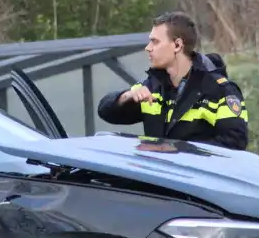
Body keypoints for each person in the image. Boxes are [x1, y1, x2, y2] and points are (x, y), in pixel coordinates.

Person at [97, 11, 249, 151]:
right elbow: (105, 112)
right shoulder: (153, 86)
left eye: (155, 42)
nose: (148, 48)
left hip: (198, 180)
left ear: (177, 45)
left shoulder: (221, 90)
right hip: (158, 178)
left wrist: (176, 150)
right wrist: (126, 97)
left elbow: (234, 144)